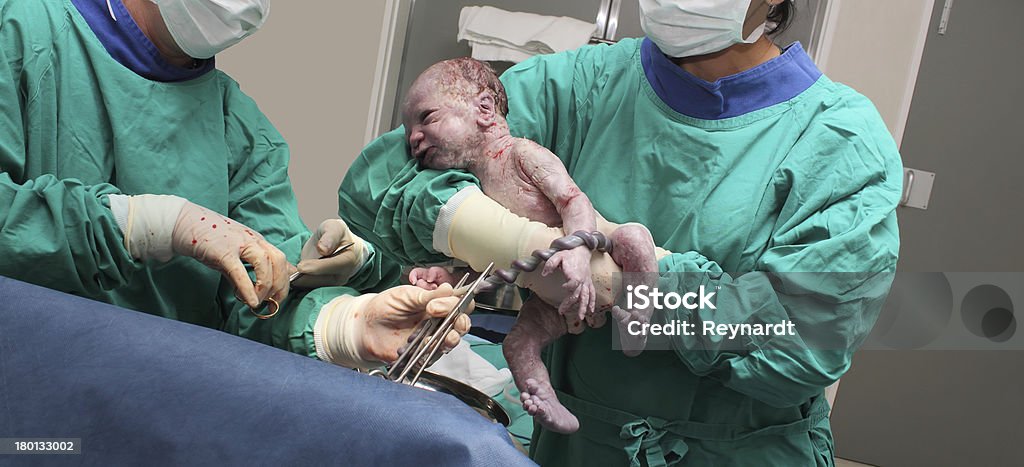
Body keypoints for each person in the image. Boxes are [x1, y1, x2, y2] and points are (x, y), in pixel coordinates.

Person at [340, 0, 902, 464]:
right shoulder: (580, 86)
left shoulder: (839, 140)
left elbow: (801, 342)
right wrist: (503, 239)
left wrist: (623, 286)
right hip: (580, 446)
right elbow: (377, 183)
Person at [0, 0, 467, 369]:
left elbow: (253, 298)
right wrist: (150, 224)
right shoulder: (20, 29)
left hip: (148, 400)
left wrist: (346, 325)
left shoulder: (237, 126)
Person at [401, 57, 660, 434]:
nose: (412, 139)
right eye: (410, 129)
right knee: (517, 343)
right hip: (549, 297)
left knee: (635, 237)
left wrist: (578, 249)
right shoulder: (470, 187)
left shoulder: (520, 154)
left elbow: (574, 201)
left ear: (485, 110)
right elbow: (493, 259)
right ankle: (546, 401)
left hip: (602, 250)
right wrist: (450, 274)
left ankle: (638, 315)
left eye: (426, 118)